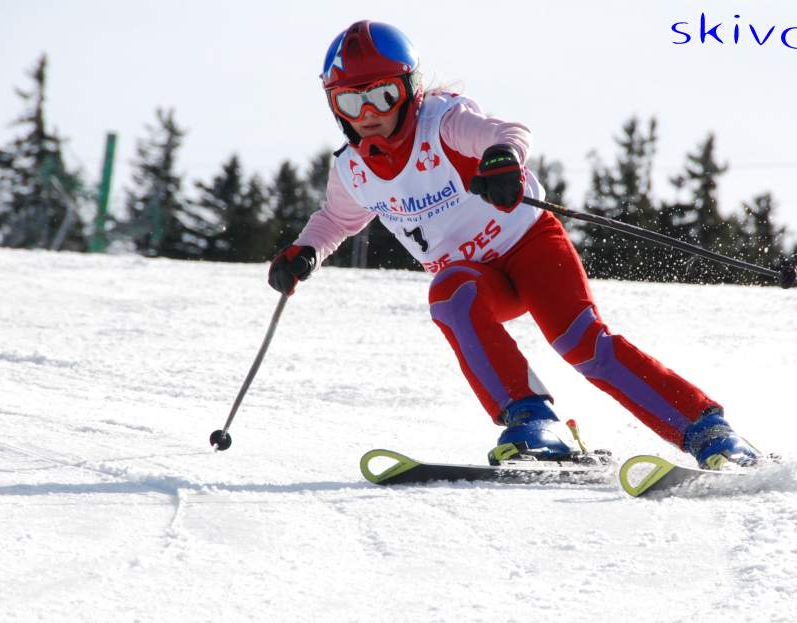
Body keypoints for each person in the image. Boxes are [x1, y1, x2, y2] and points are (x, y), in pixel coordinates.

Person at [268, 20, 760, 470]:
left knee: (583, 345)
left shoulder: (442, 122)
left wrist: (501, 160)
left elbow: (507, 133)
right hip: (478, 278)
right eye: (350, 102)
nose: (369, 114)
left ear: (410, 90)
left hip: (530, 247)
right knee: (448, 293)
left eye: (382, 94)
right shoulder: (352, 169)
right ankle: (534, 423)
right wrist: (306, 251)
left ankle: (709, 431)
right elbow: (337, 219)